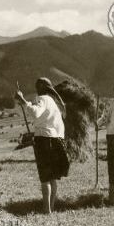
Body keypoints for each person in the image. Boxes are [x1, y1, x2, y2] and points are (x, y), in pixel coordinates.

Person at [15, 77, 69, 214]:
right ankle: (51, 207)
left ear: (40, 87)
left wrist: (22, 100)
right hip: (57, 140)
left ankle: (46, 210)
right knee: (52, 177)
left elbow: (35, 113)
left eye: (36, 86)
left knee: (45, 178)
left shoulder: (43, 99)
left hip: (44, 140)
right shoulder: (54, 102)